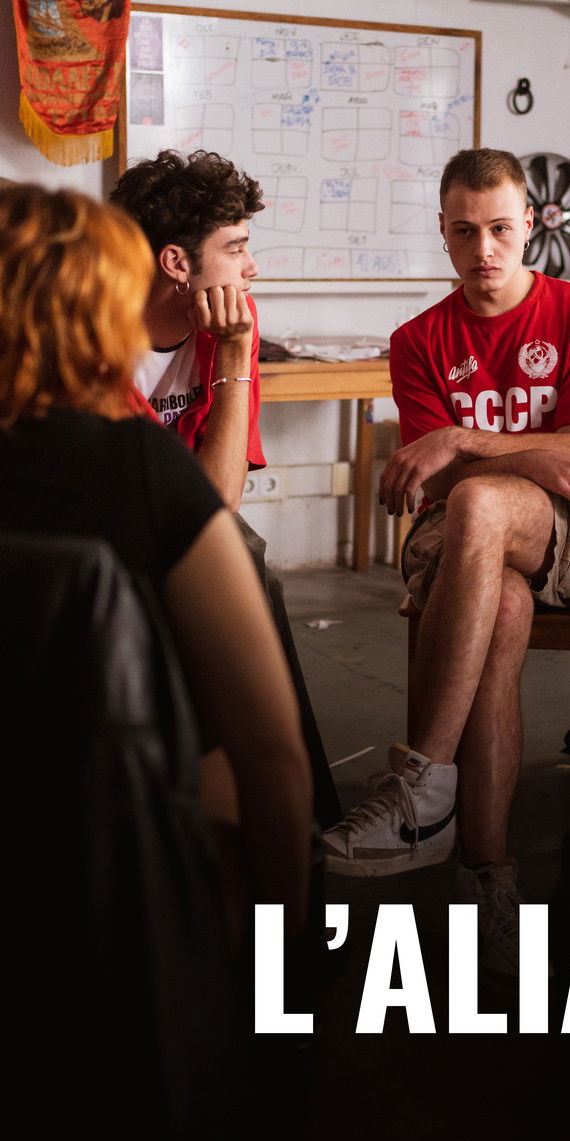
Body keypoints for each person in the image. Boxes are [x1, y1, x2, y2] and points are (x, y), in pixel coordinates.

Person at [322, 147, 570, 976]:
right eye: (464, 232)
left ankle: (422, 783)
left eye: (500, 228)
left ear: (530, 223)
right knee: (502, 599)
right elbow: (437, 478)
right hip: (458, 532)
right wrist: (525, 455)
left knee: (481, 501)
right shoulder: (418, 339)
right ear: (443, 232)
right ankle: (488, 878)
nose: (484, 249)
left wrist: (464, 439)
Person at [0, 182, 313, 931]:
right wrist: (283, 948)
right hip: (110, 851)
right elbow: (272, 758)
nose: (252, 268)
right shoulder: (131, 463)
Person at [109, 149, 341, 826]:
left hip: (182, 520)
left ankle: (283, 806)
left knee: (239, 553)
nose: (252, 267)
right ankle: (285, 812)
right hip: (108, 526)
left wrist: (236, 354)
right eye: (235, 248)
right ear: (176, 263)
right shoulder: (94, 337)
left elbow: (218, 499)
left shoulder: (234, 324)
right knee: (237, 559)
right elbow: (198, 506)